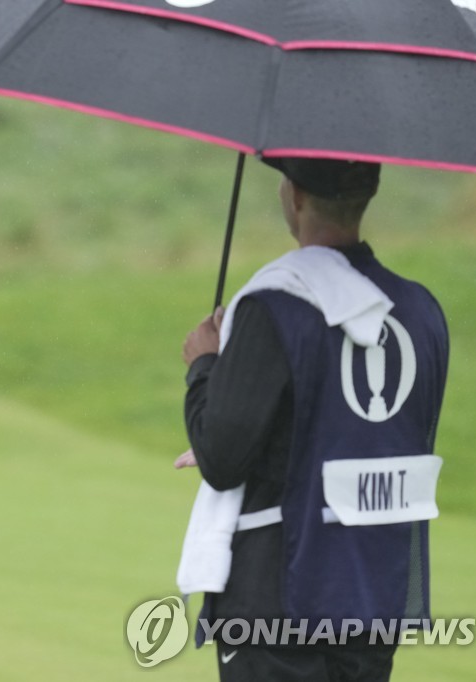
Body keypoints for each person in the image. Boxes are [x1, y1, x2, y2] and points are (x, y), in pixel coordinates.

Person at [177, 158, 449, 681]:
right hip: (375, 588)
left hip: (279, 593)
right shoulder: (420, 311)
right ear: (367, 195)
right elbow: (364, 433)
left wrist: (205, 367)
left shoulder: (274, 305)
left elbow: (223, 460)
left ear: (295, 195)